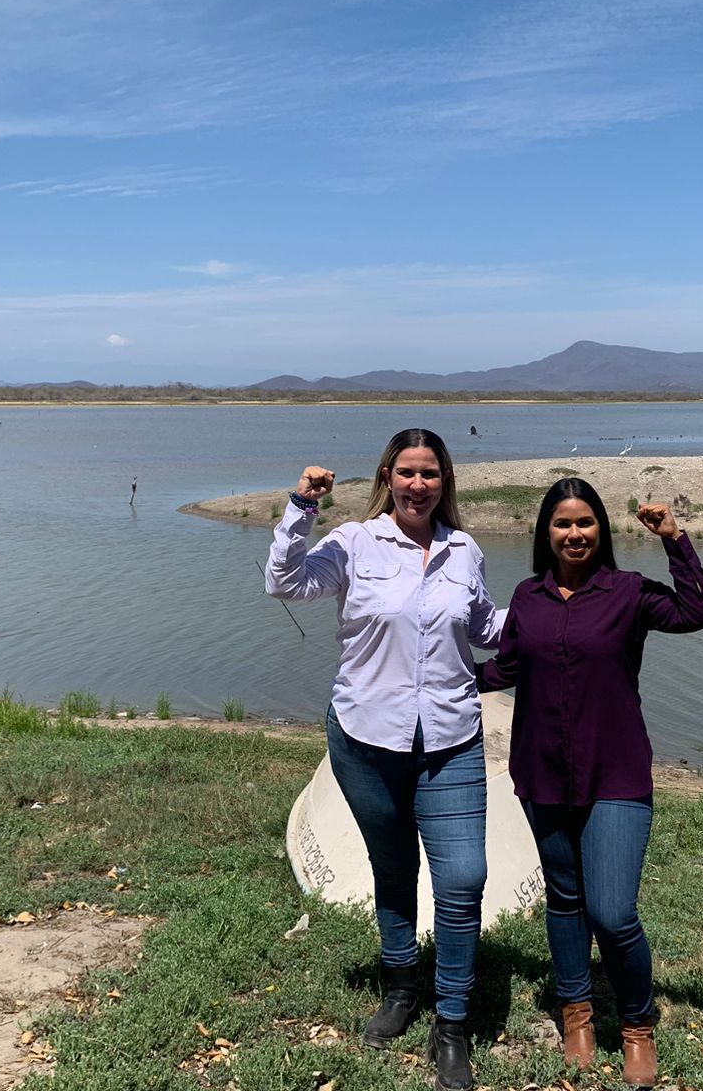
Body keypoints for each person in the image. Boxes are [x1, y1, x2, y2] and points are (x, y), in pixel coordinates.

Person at [265, 428, 502, 1091]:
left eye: (430, 473)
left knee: (464, 879)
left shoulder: (465, 551)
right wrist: (302, 507)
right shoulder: (353, 543)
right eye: (407, 472)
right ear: (387, 478)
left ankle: (451, 1021)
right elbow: (284, 581)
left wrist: (560, 609)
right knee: (393, 869)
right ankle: (400, 986)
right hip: (366, 740)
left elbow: (485, 626)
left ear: (444, 482)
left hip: (450, 741)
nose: (418, 485)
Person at [481, 477, 703, 1088]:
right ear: (546, 532)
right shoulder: (528, 596)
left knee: (612, 913)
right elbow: (507, 666)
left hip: (616, 772)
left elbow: (698, 610)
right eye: (562, 523)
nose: (575, 533)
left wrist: (674, 539)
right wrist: (437, 674)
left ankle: (637, 1025)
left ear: (601, 529)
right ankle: (577, 1013)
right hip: (543, 772)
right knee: (565, 900)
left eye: (585, 522)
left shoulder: (628, 592)